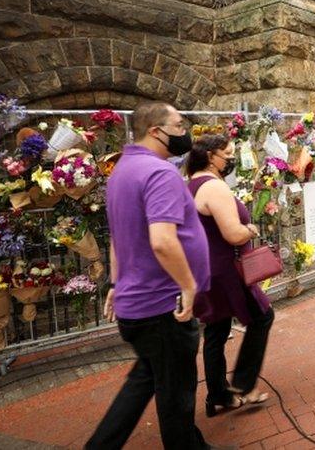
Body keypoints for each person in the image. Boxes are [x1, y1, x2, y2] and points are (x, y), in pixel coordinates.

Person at [86, 102, 215, 450]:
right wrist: (188, 285)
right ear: (157, 131)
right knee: (176, 395)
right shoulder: (159, 173)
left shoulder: (122, 171)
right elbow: (161, 240)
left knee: (146, 378)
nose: (185, 130)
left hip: (139, 302)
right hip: (162, 305)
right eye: (179, 124)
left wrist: (115, 283)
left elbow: (118, 237)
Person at [186, 134, 275, 417]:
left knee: (217, 329)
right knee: (262, 317)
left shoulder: (192, 184)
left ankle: (218, 396)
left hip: (206, 268)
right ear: (211, 156)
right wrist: (250, 230)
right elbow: (233, 234)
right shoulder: (213, 187)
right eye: (228, 153)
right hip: (226, 270)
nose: (231, 159)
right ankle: (244, 385)